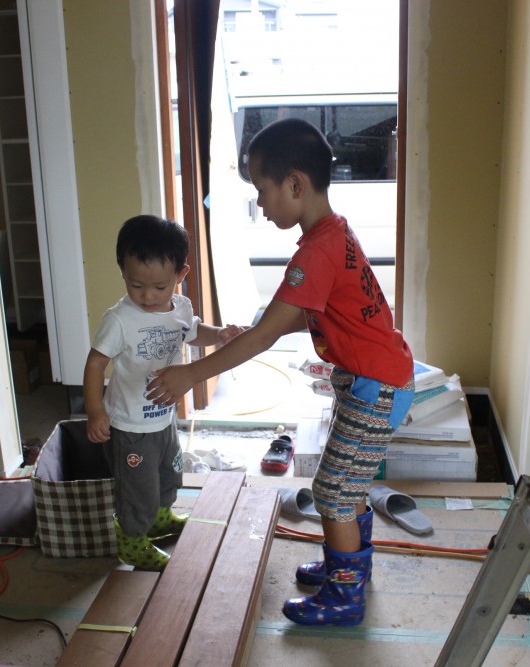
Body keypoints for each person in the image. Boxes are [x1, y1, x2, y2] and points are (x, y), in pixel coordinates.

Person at [146, 118, 415, 626]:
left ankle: (345, 595)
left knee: (334, 491)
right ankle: (346, 569)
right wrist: (255, 329)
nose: (260, 204)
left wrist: (191, 374)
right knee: (347, 484)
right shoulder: (333, 232)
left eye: (262, 190)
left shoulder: (316, 252)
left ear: (295, 184)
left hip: (376, 387)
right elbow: (302, 315)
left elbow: (266, 335)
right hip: (374, 380)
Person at [83, 214, 242, 572]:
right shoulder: (119, 319)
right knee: (137, 487)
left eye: (159, 287)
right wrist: (95, 411)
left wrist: (219, 335)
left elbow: (193, 331)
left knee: (169, 472)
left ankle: (158, 517)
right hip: (129, 424)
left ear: (180, 275)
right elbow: (95, 364)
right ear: (122, 270)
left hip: (164, 417)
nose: (148, 296)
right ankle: (132, 540)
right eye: (136, 285)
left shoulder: (180, 307)